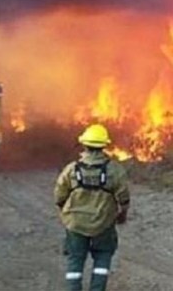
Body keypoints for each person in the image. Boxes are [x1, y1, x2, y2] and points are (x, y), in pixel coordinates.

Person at [54, 124, 130, 291]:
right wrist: (122, 213)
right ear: (104, 145)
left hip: (75, 224)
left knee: (75, 260)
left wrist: (65, 212)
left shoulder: (71, 169)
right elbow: (123, 197)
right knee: (102, 258)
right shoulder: (115, 170)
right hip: (103, 224)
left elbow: (59, 195)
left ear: (84, 144)